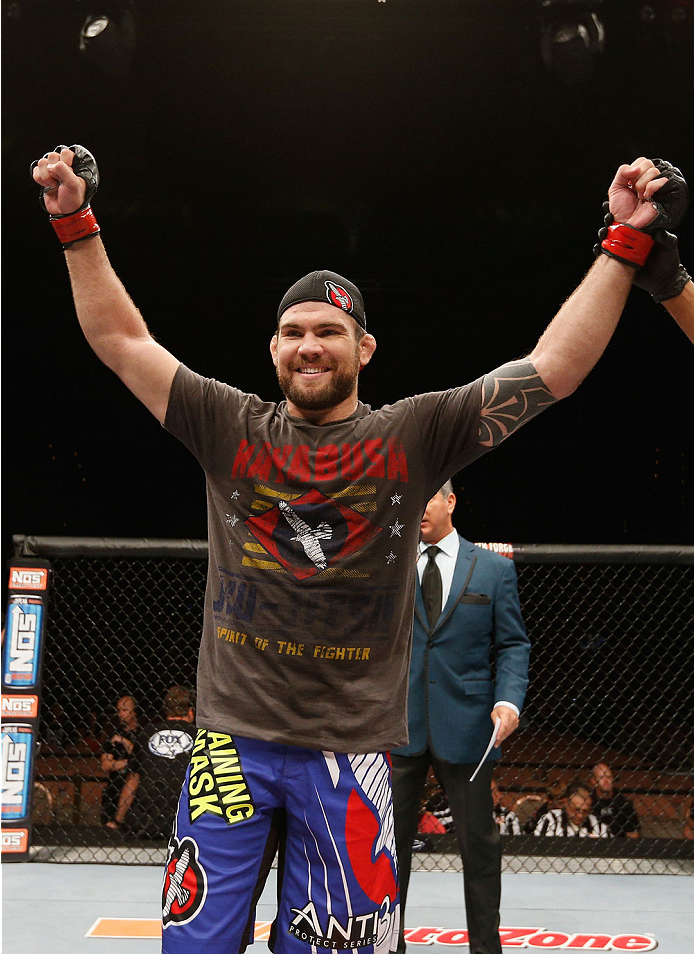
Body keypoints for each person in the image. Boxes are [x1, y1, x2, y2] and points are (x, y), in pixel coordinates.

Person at [30, 144, 691, 954]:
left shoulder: (409, 435)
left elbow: (554, 368)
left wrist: (623, 244)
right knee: (192, 948)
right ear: (272, 349)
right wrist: (74, 219)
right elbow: (119, 338)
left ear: (364, 349)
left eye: (330, 332)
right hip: (230, 747)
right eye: (293, 332)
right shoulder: (227, 423)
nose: (310, 345)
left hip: (349, 755)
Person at [391, 482, 530, 954]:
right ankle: (387, 944)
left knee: (480, 848)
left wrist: (508, 701)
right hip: (398, 725)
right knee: (387, 850)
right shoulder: (388, 562)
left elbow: (512, 643)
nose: (419, 509)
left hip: (469, 726)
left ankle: (486, 949)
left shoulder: (491, 569)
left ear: (450, 501)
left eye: (428, 497)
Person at [112, 686, 196, 839]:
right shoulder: (200, 736)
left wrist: (118, 819)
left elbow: (133, 779)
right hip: (189, 821)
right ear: (190, 711)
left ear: (165, 710)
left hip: (148, 821)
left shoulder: (147, 732)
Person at [100, 693, 138, 828]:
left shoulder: (142, 733)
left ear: (134, 712)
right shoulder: (113, 734)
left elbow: (140, 757)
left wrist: (124, 742)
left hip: (136, 788)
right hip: (114, 786)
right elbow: (105, 764)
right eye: (119, 710)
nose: (121, 714)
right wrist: (128, 762)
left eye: (125, 710)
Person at [534, 782, 609, 837]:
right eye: (576, 810)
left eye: (585, 811)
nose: (580, 815)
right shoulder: (551, 819)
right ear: (566, 802)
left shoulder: (599, 826)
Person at [588, 762, 640, 838]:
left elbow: (632, 834)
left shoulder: (623, 802)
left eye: (609, 777)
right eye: (601, 777)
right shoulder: (588, 800)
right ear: (593, 780)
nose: (606, 781)